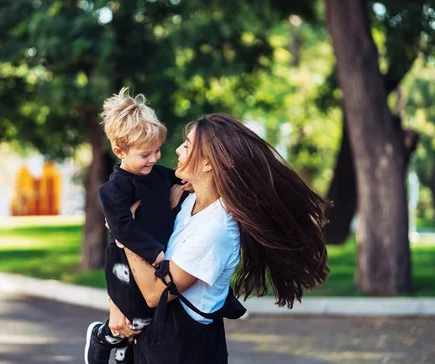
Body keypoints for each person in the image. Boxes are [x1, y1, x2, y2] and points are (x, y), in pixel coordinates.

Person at [110, 113, 330, 363]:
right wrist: (117, 305)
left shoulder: (216, 229)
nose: (179, 150)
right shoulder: (185, 198)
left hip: (185, 349)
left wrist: (124, 235)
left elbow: (154, 293)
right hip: (153, 343)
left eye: (188, 145)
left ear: (206, 164)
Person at [85, 88, 188, 364]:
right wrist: (154, 252)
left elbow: (179, 180)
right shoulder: (113, 189)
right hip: (123, 262)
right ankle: (100, 340)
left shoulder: (156, 173)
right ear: (120, 151)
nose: (154, 159)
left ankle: (123, 355)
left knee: (143, 323)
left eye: (157, 151)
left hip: (152, 257)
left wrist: (186, 186)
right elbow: (122, 229)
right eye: (145, 154)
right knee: (131, 319)